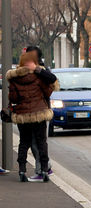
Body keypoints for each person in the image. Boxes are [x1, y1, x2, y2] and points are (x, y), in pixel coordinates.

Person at [7, 51, 59, 182]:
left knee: (24, 142)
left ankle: (22, 170)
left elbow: (13, 98)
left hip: (22, 115)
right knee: (42, 142)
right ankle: (44, 169)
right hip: (39, 114)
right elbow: (48, 90)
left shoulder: (14, 78)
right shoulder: (38, 76)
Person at [25, 46, 54, 181]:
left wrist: (36, 69)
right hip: (33, 111)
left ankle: (41, 171)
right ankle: (45, 167)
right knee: (36, 142)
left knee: (37, 142)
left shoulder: (41, 69)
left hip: (39, 111)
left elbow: (52, 78)